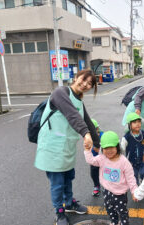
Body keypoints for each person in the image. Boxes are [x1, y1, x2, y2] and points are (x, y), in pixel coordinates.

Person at [34, 69, 100, 225]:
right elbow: (72, 115)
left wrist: (97, 143)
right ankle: (59, 212)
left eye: (90, 83)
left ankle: (69, 203)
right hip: (52, 146)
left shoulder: (79, 101)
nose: (85, 84)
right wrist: (85, 134)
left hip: (66, 147)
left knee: (68, 177)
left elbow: (88, 122)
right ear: (76, 77)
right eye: (83, 79)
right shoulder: (60, 92)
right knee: (57, 182)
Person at [84, 131, 138, 225]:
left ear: (117, 146)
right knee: (110, 209)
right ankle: (114, 222)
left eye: (111, 147)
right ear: (102, 148)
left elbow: (130, 178)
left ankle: (124, 223)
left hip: (120, 194)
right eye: (106, 148)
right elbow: (91, 160)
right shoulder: (102, 158)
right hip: (107, 191)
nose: (109, 150)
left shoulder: (124, 162)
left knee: (122, 212)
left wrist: (134, 191)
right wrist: (87, 150)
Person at [121, 112, 144, 184]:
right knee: (134, 176)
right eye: (134, 122)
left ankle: (143, 183)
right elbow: (122, 149)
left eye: (139, 122)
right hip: (131, 162)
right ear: (129, 125)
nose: (137, 124)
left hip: (142, 160)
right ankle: (136, 187)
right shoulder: (126, 137)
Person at [90, 119, 104, 197]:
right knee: (94, 174)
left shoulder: (103, 136)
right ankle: (96, 186)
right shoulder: (88, 138)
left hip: (103, 159)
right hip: (94, 160)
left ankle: (107, 187)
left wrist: (99, 150)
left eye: (97, 130)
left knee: (105, 173)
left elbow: (108, 149)